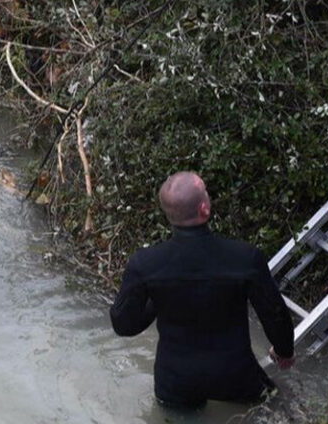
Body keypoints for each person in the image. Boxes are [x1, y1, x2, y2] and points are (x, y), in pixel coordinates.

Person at [109, 171, 295, 409]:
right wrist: (284, 352)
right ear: (205, 209)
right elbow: (274, 314)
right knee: (275, 406)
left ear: (168, 214)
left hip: (174, 381)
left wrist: (159, 295)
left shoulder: (145, 264)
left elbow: (124, 325)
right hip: (235, 375)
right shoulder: (245, 258)